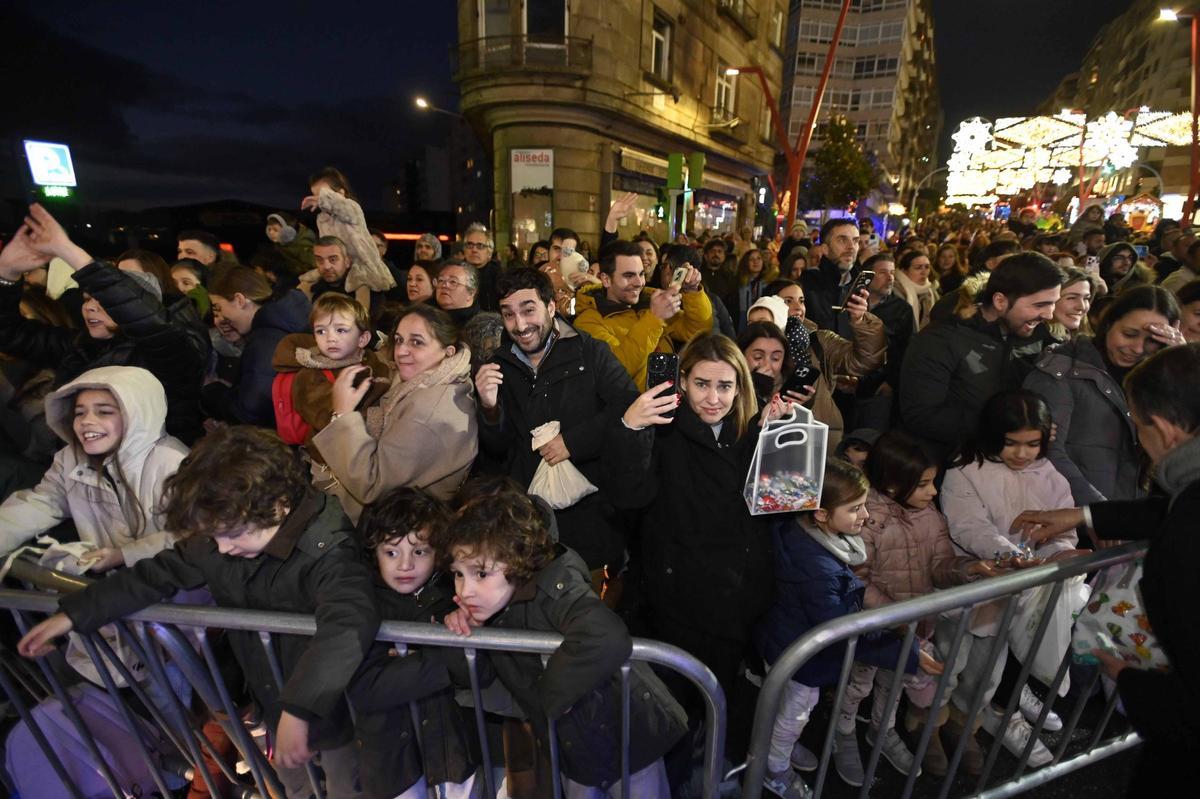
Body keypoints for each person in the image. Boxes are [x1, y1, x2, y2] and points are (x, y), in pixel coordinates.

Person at [17, 426, 380, 798]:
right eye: (213, 536)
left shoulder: (328, 548)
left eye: (233, 534)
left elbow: (346, 626)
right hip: (276, 702)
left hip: (340, 713)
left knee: (345, 788)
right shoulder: (224, 535)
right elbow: (157, 573)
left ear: (278, 504)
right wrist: (71, 616)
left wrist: (301, 709)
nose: (221, 548)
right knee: (295, 787)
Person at [1012, 344, 1200, 796]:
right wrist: (1085, 516)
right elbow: (1168, 510)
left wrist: (1129, 680)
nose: (1138, 437)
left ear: (1165, 429)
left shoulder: (1190, 532)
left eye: (1137, 423)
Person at [439, 482, 687, 798]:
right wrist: (470, 635)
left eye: (480, 574)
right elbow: (483, 681)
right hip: (574, 750)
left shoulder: (557, 585)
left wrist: (547, 701)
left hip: (629, 739)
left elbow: (604, 635)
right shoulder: (492, 605)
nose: (464, 590)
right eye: (458, 574)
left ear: (516, 561)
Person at [610, 333, 776, 699]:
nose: (713, 398)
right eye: (702, 384)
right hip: (677, 599)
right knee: (678, 701)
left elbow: (771, 506)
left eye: (724, 386)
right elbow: (629, 495)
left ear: (739, 386)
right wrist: (631, 429)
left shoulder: (750, 429)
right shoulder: (660, 429)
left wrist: (776, 439)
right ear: (682, 381)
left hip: (736, 597)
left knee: (719, 696)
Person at [755, 459, 935, 797]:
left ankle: (776, 747)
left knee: (782, 708)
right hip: (801, 657)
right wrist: (905, 652)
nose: (865, 515)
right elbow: (841, 628)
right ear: (821, 513)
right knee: (794, 714)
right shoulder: (818, 568)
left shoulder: (801, 531)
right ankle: (773, 767)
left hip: (785, 641)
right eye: (855, 508)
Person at [939, 390, 1087, 772]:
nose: (1022, 454)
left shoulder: (1049, 473)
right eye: (1012, 444)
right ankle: (957, 724)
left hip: (1033, 587)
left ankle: (990, 712)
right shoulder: (965, 469)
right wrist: (1015, 557)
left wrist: (1057, 551)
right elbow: (969, 526)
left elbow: (1062, 524)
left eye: (1032, 444)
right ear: (992, 435)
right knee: (969, 666)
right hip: (985, 588)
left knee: (1011, 659)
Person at [841, 431, 995, 777]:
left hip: (912, 627)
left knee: (893, 686)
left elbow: (940, 566)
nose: (934, 491)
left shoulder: (930, 515)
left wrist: (968, 567)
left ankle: (883, 730)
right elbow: (858, 580)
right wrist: (898, 619)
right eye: (924, 484)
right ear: (895, 486)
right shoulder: (866, 520)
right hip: (874, 629)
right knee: (857, 686)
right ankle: (843, 731)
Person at [474, 268, 639, 586]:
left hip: (590, 514)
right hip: (527, 521)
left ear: (551, 307)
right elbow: (497, 450)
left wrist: (573, 442)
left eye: (528, 310)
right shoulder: (496, 365)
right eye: (509, 314)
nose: (520, 325)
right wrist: (489, 408)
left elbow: (627, 407)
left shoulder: (590, 353)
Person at [0, 204, 209, 445]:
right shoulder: (81, 345)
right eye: (87, 299)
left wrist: (68, 251)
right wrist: (7, 273)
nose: (89, 307)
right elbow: (10, 333)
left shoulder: (173, 351)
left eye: (104, 301)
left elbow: (154, 327)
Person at [349, 487, 479, 799]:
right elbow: (365, 687)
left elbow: (475, 670)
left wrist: (407, 663)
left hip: (451, 746)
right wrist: (441, 653)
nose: (405, 565)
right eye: (391, 552)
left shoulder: (454, 600)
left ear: (438, 554)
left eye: (419, 552)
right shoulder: (363, 605)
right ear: (374, 551)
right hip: (389, 754)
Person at [0, 366, 187, 566]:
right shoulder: (70, 458)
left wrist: (125, 555)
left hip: (171, 591)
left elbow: (192, 535)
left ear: (139, 415)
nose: (87, 421)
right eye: (79, 413)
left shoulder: (175, 464)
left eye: (104, 412)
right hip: (114, 582)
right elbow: (42, 503)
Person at [311, 303, 477, 523]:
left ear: (448, 352)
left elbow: (372, 484)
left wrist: (342, 413)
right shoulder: (431, 384)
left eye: (416, 342)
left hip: (393, 528)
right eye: (398, 340)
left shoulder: (428, 412)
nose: (400, 351)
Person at [1026, 285, 1183, 505]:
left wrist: (1180, 365)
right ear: (1108, 323)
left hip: (1133, 519)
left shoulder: (1158, 379)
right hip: (1071, 520)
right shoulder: (1061, 370)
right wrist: (1097, 515)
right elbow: (1046, 453)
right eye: (1129, 334)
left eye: (1153, 341)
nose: (1138, 348)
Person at [901, 253, 1063, 461]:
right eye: (1039, 305)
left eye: (1053, 303)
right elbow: (921, 415)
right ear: (1000, 301)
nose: (1049, 314)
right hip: (954, 465)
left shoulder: (1040, 337)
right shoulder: (940, 339)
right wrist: (1006, 429)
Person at [573, 240, 711, 390]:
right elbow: (619, 368)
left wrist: (692, 291)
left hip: (670, 402)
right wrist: (655, 318)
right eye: (629, 275)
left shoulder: (649, 304)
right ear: (606, 279)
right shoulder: (587, 322)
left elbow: (697, 331)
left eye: (641, 274)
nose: (639, 282)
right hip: (631, 409)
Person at [271, 293, 391, 461]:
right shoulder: (308, 377)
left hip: (366, 449)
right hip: (331, 461)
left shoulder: (371, 360)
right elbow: (326, 420)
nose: (330, 338)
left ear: (362, 339)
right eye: (321, 331)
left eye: (340, 330)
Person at [203, 266, 311, 427]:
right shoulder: (286, 318)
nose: (219, 319)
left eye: (218, 308)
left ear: (239, 300)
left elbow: (250, 410)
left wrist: (213, 392)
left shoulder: (265, 340)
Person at [301, 166, 396, 293]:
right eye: (315, 195)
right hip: (338, 267)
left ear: (341, 193)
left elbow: (344, 208)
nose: (318, 200)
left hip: (362, 265)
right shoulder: (322, 218)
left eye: (323, 194)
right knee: (306, 285)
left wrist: (325, 199)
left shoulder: (352, 208)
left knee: (362, 288)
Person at [800, 218, 861, 331]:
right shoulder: (805, 284)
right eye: (842, 240)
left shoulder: (860, 288)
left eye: (856, 241)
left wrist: (861, 323)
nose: (851, 247)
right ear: (825, 249)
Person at [298, 235, 377, 314]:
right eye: (320, 260)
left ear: (347, 262)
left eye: (333, 259)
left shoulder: (366, 291)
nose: (326, 266)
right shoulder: (311, 288)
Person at [732, 249, 779, 331]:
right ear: (746, 263)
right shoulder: (737, 283)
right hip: (741, 324)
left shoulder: (770, 284)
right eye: (751, 259)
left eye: (759, 258)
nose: (756, 262)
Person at [1046, 268, 1098, 342]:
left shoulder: (1091, 342)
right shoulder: (1036, 345)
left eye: (1086, 298)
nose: (1082, 307)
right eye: (1072, 298)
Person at [893, 249, 938, 331]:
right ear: (904, 271)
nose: (924, 272)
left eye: (927, 267)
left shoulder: (931, 290)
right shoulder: (895, 293)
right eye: (918, 268)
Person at [461, 223, 501, 311]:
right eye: (470, 245)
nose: (474, 250)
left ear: (489, 253)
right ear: (464, 250)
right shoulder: (455, 273)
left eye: (480, 246)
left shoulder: (500, 277)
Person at [266, 212, 317, 278]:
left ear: (288, 232)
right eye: (269, 229)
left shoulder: (303, 246)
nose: (271, 233)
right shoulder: (282, 244)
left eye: (275, 230)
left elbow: (313, 266)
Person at [434, 260, 481, 326]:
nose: (444, 285)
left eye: (453, 282)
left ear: (471, 293)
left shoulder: (480, 325)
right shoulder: (427, 317)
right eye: (441, 280)